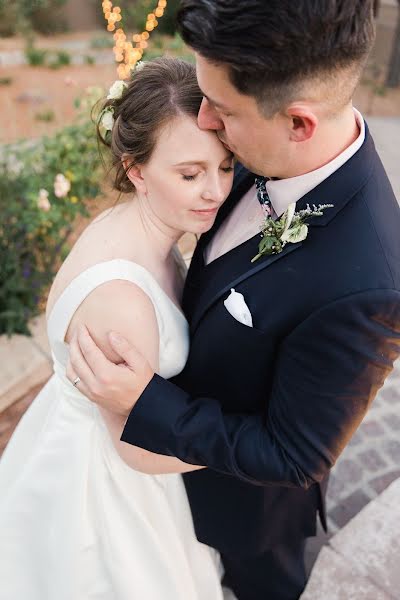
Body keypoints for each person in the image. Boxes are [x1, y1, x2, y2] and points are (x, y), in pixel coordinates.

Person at [67, 2, 400, 599]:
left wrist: (147, 403)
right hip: (159, 495)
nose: (203, 118)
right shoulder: (257, 146)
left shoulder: (370, 283)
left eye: (220, 110)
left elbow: (295, 454)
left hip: (248, 517)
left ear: (298, 123)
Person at [0, 57, 235, 599]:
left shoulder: (140, 223)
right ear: (135, 169)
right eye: (190, 173)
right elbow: (134, 446)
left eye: (224, 166)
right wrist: (258, 446)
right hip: (109, 485)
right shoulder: (120, 301)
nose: (216, 191)